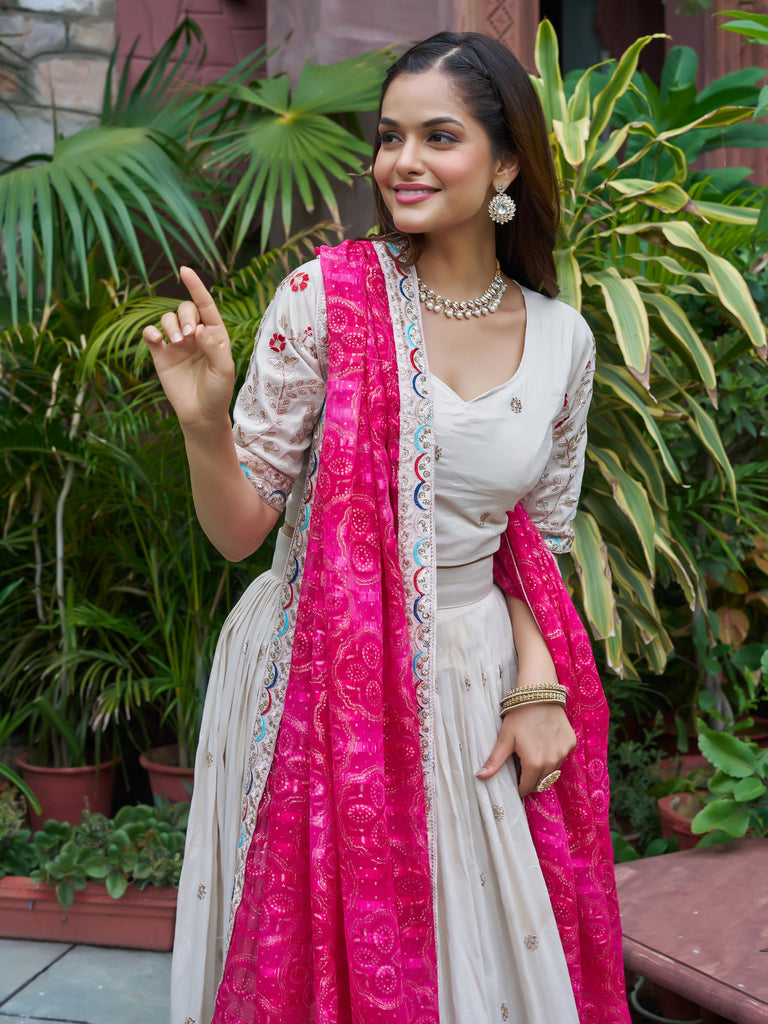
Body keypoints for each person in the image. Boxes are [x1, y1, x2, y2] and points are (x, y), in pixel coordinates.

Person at [143, 31, 630, 1024]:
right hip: (321, 668)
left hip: (480, 676)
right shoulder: (326, 301)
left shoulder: (563, 340)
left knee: (485, 964)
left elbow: (536, 545)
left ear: (505, 162)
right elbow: (242, 531)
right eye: (389, 136)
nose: (401, 161)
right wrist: (203, 421)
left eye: (438, 136)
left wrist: (540, 688)